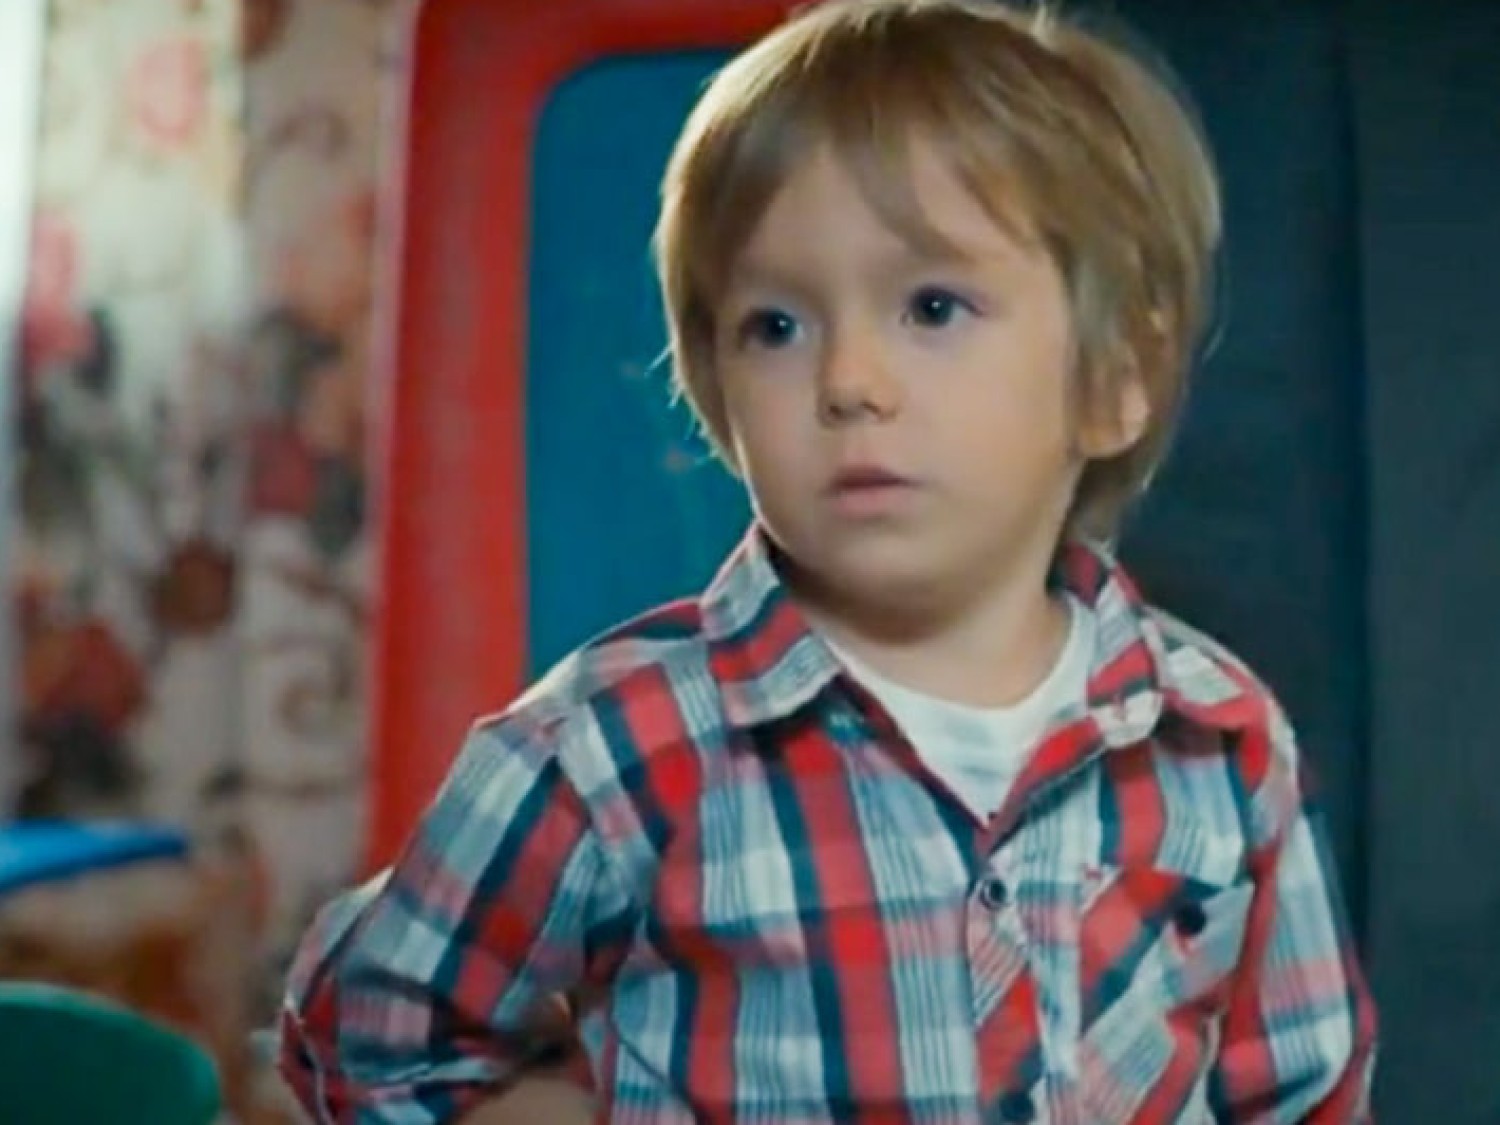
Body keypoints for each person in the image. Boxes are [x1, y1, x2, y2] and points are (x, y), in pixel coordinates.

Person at [277, 1, 1378, 1121]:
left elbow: (1304, 1089)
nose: (849, 379)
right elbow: (363, 1039)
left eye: (932, 306)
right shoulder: (612, 748)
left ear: (1118, 378)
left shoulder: (1221, 740)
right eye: (776, 326)